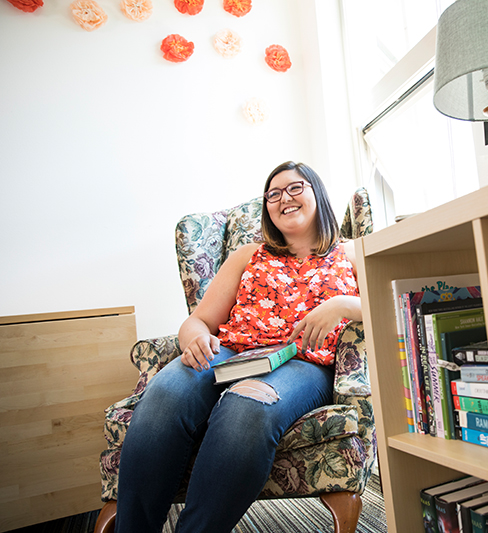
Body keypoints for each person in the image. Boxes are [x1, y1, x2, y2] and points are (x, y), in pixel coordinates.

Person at [115, 161, 362, 533]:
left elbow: (392, 305)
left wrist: (342, 304)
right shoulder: (248, 255)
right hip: (230, 351)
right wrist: (195, 337)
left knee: (245, 407)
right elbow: (197, 320)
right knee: (164, 395)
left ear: (317, 193)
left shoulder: (352, 252)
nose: (284, 199)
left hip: (302, 361)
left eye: (295, 188)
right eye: (273, 194)